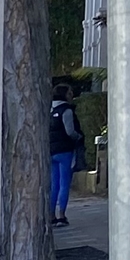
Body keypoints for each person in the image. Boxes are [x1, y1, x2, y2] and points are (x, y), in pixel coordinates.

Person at [49, 79, 83, 227]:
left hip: (52, 150)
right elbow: (70, 131)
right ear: (64, 95)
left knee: (53, 184)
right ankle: (62, 215)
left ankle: (51, 215)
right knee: (64, 183)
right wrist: (78, 137)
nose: (71, 95)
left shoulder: (50, 110)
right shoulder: (67, 110)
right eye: (69, 92)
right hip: (65, 151)